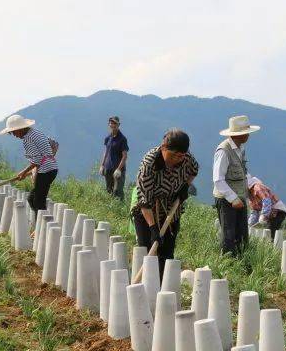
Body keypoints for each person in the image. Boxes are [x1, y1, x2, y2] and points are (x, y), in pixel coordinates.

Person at [131, 129, 198, 278]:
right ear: (163, 148)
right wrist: (153, 228)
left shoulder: (187, 159)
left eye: (180, 156)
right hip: (147, 213)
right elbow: (144, 203)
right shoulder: (149, 164)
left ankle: (161, 293)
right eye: (173, 155)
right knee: (149, 253)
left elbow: (194, 170)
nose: (177, 159)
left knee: (166, 254)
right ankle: (145, 292)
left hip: (171, 211)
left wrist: (185, 186)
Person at [213, 115, 260, 256]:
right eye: (246, 133)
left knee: (242, 236)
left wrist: (252, 188)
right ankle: (227, 265)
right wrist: (233, 199)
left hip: (240, 197)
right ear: (240, 134)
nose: (248, 136)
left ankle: (241, 262)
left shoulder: (240, 149)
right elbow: (218, 179)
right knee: (229, 235)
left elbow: (243, 173)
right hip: (227, 199)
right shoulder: (223, 151)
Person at [0, 114, 58, 217]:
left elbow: (36, 160)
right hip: (50, 169)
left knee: (38, 202)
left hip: (45, 171)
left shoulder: (28, 138)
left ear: (20, 129)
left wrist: (23, 172)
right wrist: (29, 173)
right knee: (32, 199)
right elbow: (53, 145)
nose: (14, 135)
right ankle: (39, 225)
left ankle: (42, 226)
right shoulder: (36, 132)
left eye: (14, 132)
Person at [99, 116, 129, 201]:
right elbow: (106, 152)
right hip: (108, 168)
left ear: (118, 125)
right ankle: (109, 211)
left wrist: (119, 169)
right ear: (109, 124)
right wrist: (102, 165)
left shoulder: (122, 139)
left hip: (118, 170)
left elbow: (124, 156)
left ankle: (119, 211)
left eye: (115, 123)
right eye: (111, 123)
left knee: (118, 192)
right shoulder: (108, 138)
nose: (113, 125)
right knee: (109, 190)